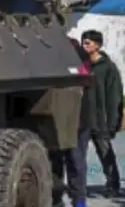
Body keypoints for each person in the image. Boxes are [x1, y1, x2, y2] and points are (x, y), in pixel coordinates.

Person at [79, 29, 123, 196]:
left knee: (105, 153)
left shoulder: (108, 68)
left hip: (100, 121)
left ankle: (113, 184)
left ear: (97, 45)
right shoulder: (82, 66)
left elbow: (114, 97)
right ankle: (78, 188)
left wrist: (112, 122)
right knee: (78, 156)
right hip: (82, 119)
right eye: (83, 42)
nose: (84, 45)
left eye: (88, 43)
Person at [52, 37, 93, 207]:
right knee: (55, 163)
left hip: (79, 121)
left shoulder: (79, 54)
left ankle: (79, 200)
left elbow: (85, 80)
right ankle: (55, 199)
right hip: (57, 120)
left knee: (76, 162)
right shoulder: (51, 53)